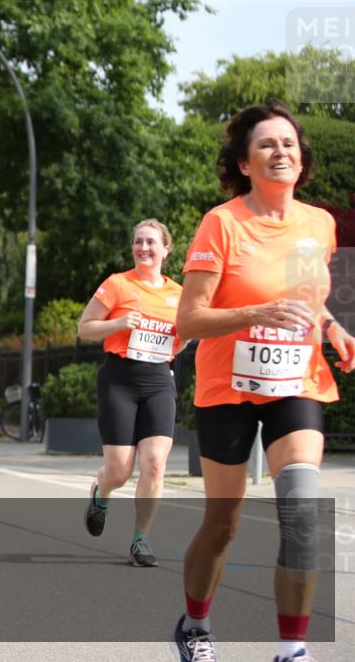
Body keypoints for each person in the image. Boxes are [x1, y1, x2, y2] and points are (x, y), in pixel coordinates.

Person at [173, 100, 354, 662]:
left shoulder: (318, 224)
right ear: (245, 164)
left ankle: (292, 648)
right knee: (223, 523)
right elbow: (189, 320)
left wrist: (331, 325)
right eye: (267, 145)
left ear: (302, 160)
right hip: (227, 386)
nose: (281, 152)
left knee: (301, 511)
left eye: (289, 144)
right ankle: (195, 626)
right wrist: (256, 315)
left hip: (298, 382)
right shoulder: (221, 224)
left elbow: (305, 298)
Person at [77, 219, 186, 567]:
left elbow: (182, 339)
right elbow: (85, 328)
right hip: (119, 379)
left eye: (151, 242)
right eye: (138, 242)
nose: (144, 248)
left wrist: (166, 353)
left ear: (166, 249)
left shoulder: (179, 294)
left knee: (154, 464)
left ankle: (141, 540)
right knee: (120, 471)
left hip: (158, 380)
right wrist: (118, 324)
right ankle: (102, 492)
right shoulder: (117, 284)